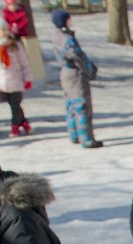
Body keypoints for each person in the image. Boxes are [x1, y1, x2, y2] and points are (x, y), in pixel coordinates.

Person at [51, 9, 102, 148]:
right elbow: (79, 57)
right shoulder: (68, 39)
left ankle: (74, 134)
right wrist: (90, 70)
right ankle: (86, 138)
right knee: (82, 105)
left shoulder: (56, 36)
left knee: (70, 105)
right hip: (75, 73)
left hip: (65, 73)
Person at [0, 16, 32, 137]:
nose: (5, 32)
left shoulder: (15, 45)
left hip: (16, 80)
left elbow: (24, 63)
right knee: (13, 104)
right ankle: (24, 122)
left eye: (6, 29)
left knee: (15, 104)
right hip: (2, 82)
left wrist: (27, 79)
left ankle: (15, 126)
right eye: (2, 30)